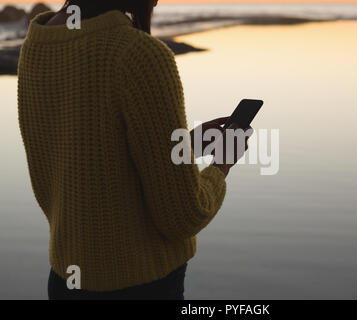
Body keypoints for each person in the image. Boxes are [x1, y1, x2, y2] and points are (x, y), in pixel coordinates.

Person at [18, 0, 251, 300]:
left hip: (65, 280)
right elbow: (183, 216)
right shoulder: (138, 54)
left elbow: (85, 160)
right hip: (140, 286)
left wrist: (181, 146)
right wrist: (222, 166)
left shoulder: (37, 45)